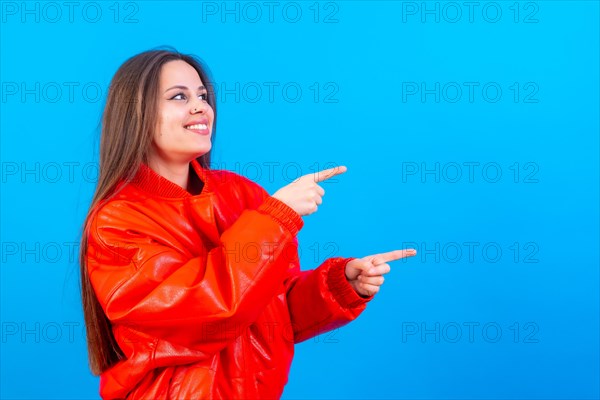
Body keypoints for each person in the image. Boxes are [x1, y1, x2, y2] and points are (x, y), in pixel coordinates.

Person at [79, 48, 417, 399]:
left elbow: (275, 313)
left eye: (203, 96)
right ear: (136, 113)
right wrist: (276, 215)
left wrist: (340, 284)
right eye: (179, 96)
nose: (201, 108)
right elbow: (206, 312)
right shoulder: (117, 222)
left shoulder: (242, 194)